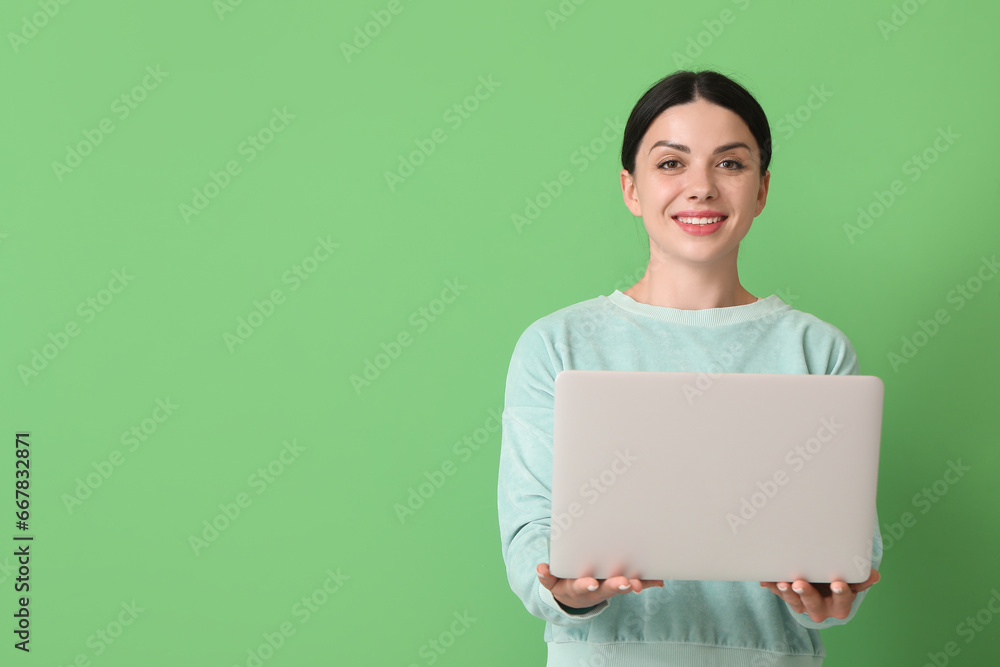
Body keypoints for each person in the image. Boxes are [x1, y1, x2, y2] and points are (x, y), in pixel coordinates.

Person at [497, 70, 882, 666]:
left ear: (761, 189)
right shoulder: (557, 344)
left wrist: (833, 597)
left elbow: (848, 550)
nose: (700, 187)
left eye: (730, 164)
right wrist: (564, 588)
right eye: (671, 164)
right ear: (631, 188)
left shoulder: (816, 351)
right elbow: (530, 537)